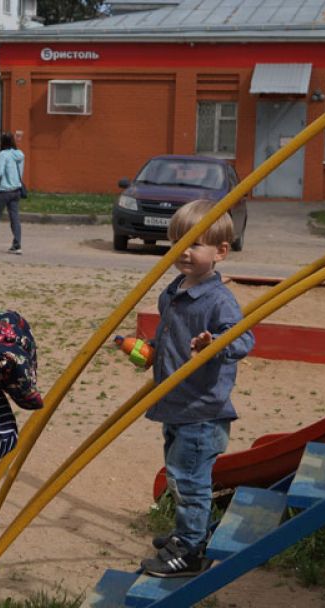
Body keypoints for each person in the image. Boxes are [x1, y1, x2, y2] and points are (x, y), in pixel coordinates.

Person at [140, 199, 254, 578]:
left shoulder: (219, 300)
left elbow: (243, 340)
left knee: (188, 481)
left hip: (202, 411)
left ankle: (190, 552)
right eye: (177, 242)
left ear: (221, 251)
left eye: (194, 243)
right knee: (180, 477)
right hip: (175, 404)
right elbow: (170, 338)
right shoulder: (172, 291)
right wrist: (150, 352)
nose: (183, 251)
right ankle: (190, 534)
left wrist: (215, 344)